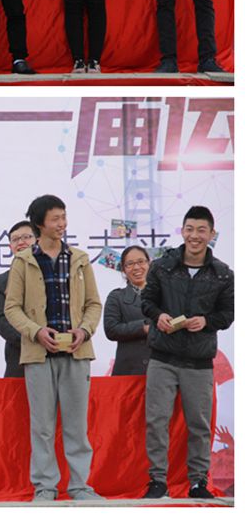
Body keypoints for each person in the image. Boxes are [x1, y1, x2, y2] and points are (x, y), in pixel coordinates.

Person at [4, 195, 102, 501]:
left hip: (76, 353)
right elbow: (12, 308)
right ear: (39, 224)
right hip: (39, 355)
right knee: (42, 428)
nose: (62, 224)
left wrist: (84, 331)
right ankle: (45, 487)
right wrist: (36, 332)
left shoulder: (79, 259)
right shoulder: (23, 261)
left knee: (76, 426)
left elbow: (94, 304)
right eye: (55, 218)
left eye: (64, 217)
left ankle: (80, 486)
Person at [141, 206, 234, 500]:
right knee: (156, 421)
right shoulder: (162, 266)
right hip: (162, 357)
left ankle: (198, 482)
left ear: (212, 234)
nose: (195, 236)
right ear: (182, 231)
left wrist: (207, 321)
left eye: (201, 230)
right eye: (190, 229)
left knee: (199, 425)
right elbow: (147, 301)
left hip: (199, 362)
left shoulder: (222, 274)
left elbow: (228, 314)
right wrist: (159, 316)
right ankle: (157, 481)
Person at [0, 221, 35, 378]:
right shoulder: (0, 282)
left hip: (54, 354)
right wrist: (34, 340)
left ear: (38, 240)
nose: (21, 242)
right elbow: (2, 321)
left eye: (26, 237)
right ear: (10, 246)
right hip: (18, 356)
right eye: (15, 239)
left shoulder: (54, 275)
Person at [103, 245, 151, 375]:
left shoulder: (165, 294)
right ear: (123, 269)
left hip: (161, 370)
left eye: (141, 262)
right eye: (130, 264)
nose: (136, 267)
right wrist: (143, 327)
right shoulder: (116, 296)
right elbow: (111, 329)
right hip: (129, 369)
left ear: (149, 263)